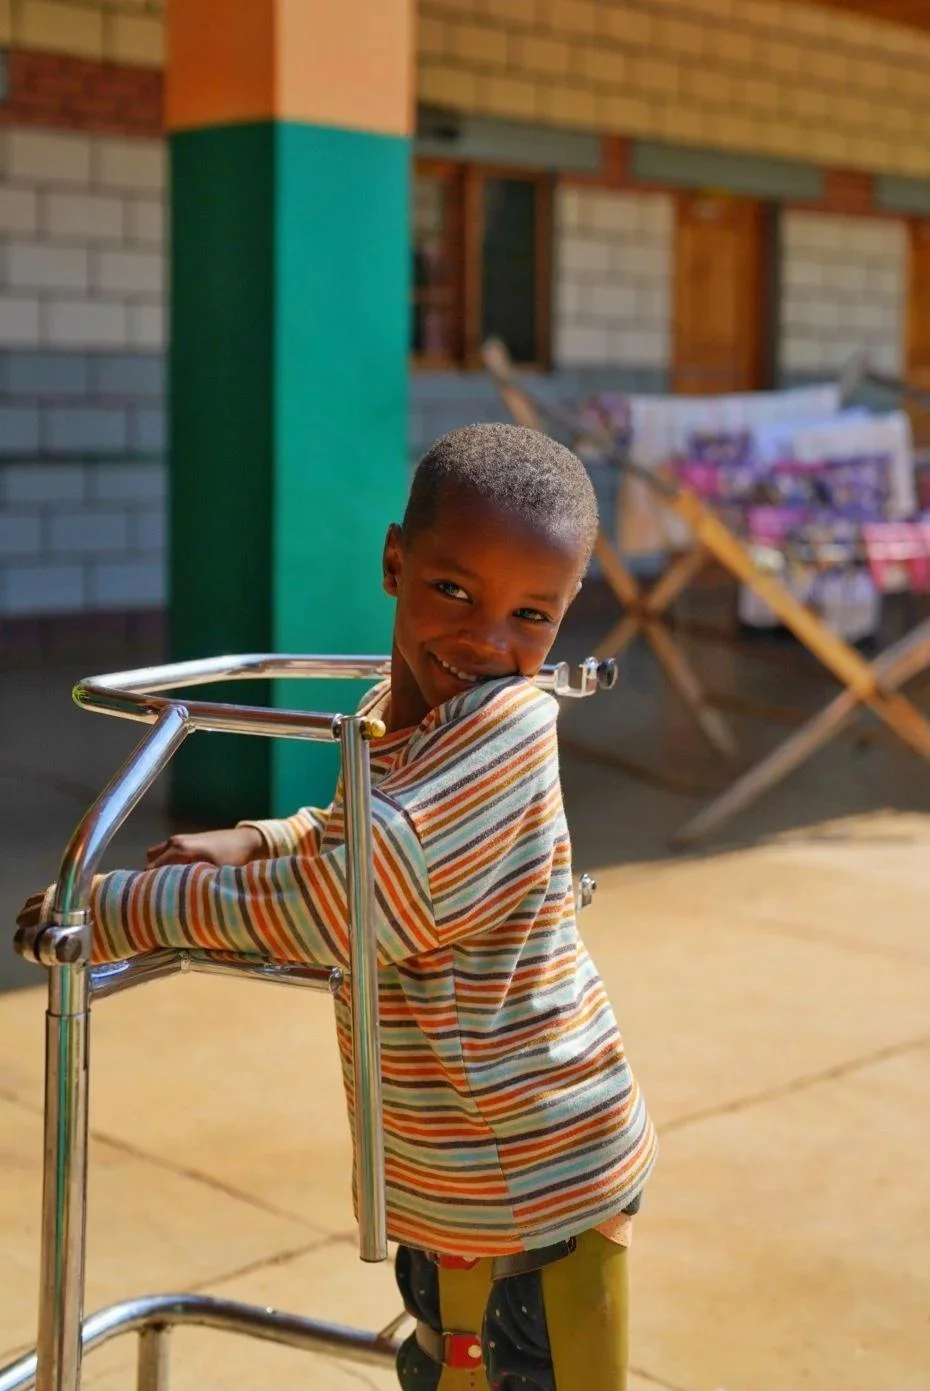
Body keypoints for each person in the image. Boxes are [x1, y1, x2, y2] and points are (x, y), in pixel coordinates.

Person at [19, 423, 656, 1390]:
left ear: (567, 616)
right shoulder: (388, 715)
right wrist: (260, 837)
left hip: (530, 1173)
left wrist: (125, 908)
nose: (487, 641)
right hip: (459, 1169)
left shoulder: (510, 729)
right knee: (442, 1356)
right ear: (395, 561)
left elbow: (348, 904)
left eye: (532, 615)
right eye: (454, 590)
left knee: (510, 1364)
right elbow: (350, 829)